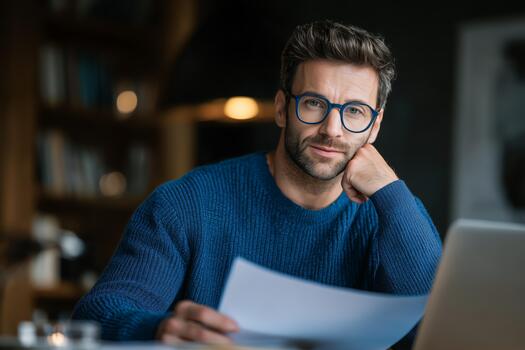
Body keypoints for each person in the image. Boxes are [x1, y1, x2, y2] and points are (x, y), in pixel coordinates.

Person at [72, 20, 442, 348]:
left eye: (355, 112)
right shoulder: (186, 204)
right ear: (281, 108)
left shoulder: (393, 215)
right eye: (314, 104)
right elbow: (95, 315)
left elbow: (438, 328)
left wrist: (390, 189)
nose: (332, 129)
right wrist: (157, 329)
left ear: (375, 126)